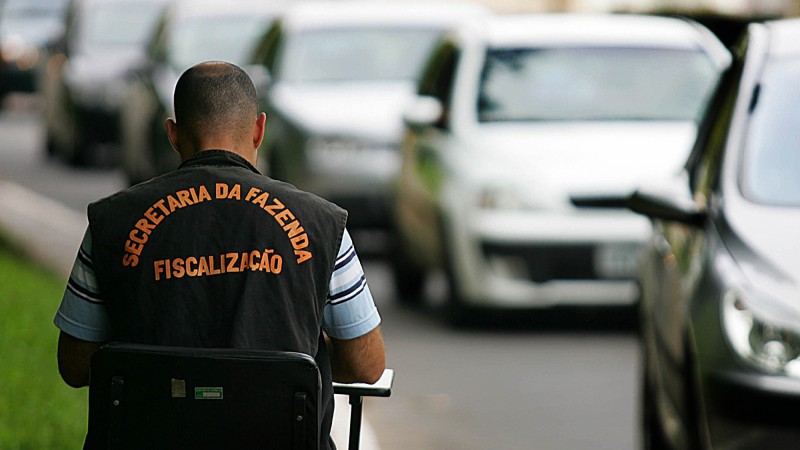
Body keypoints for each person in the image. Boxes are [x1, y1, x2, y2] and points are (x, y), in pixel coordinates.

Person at [54, 61, 385, 449]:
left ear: (174, 135)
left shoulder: (112, 222)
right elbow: (368, 364)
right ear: (259, 130)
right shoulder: (321, 225)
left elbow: (75, 365)